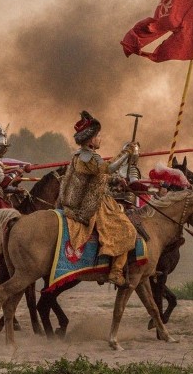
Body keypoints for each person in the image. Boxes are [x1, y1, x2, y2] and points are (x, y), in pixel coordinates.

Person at [57, 110, 137, 287]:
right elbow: (107, 168)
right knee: (127, 230)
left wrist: (116, 179)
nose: (100, 138)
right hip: (93, 204)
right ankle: (116, 272)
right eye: (98, 135)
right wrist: (126, 152)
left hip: (97, 197)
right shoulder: (87, 156)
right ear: (90, 138)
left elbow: (101, 176)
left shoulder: (85, 156)